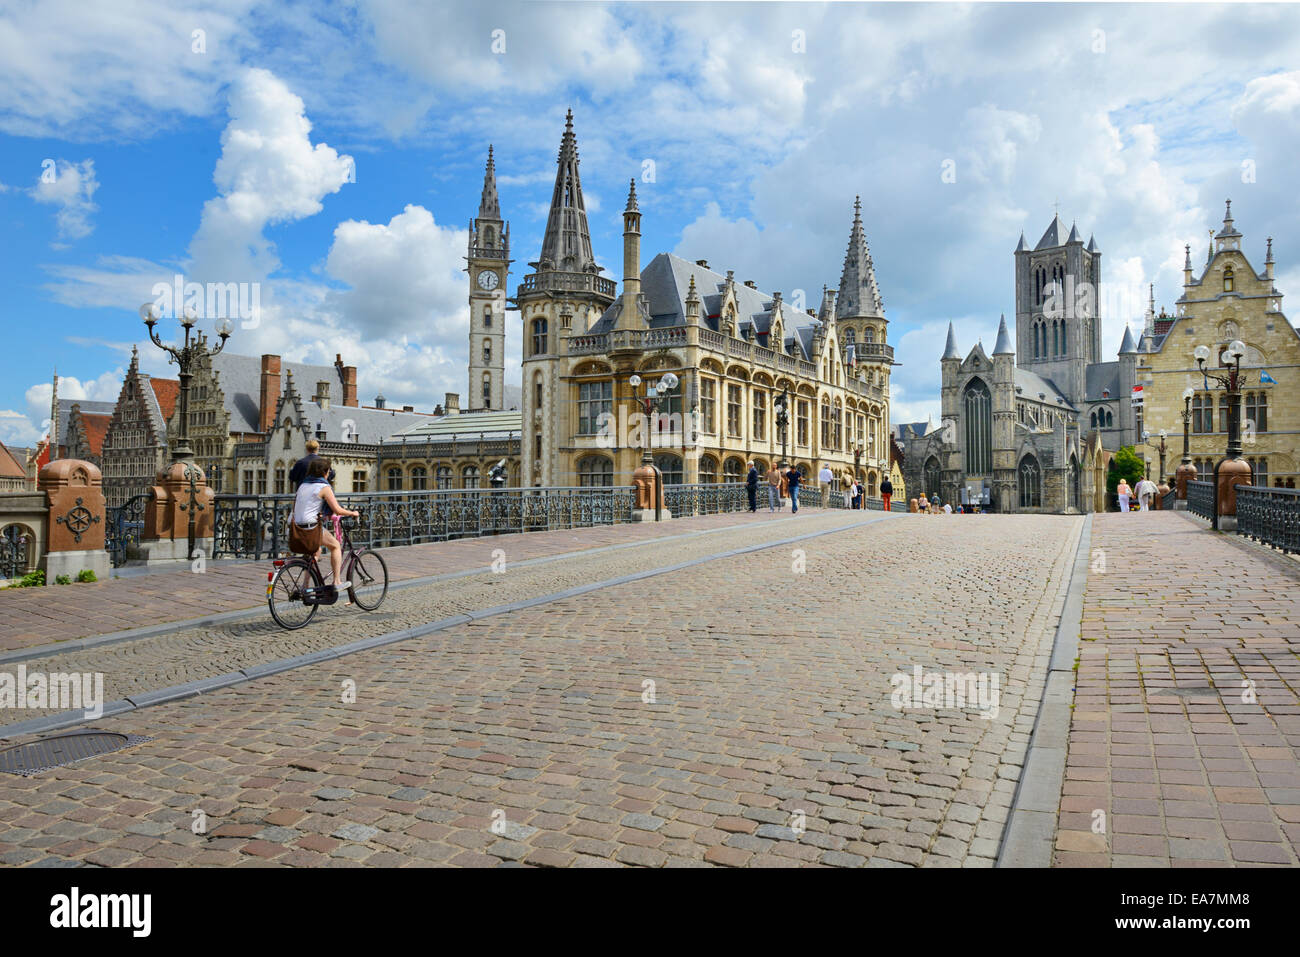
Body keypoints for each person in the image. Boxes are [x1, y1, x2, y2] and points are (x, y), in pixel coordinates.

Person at [292, 458, 360, 593]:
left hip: (295, 527)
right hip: (310, 528)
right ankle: (337, 581)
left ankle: (305, 587)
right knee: (335, 546)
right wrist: (353, 513)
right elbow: (338, 510)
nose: (329, 473)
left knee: (315, 553)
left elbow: (300, 506)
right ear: (325, 472)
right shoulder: (324, 487)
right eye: (329, 471)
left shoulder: (303, 485)